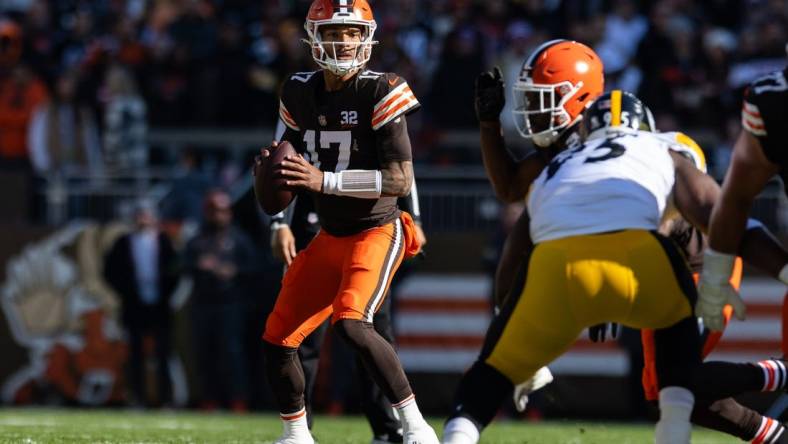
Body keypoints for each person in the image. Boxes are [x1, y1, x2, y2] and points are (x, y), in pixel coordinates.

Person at [442, 90, 788, 444]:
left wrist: (505, 319)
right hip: (644, 261)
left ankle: (457, 437)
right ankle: (690, 425)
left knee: (491, 372)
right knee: (675, 384)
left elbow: (515, 252)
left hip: (557, 265)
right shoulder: (661, 150)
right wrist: (782, 269)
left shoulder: (561, 163)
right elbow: (720, 216)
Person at [253, 1, 434, 443]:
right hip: (327, 234)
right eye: (334, 33)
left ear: (367, 37)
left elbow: (399, 178)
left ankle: (415, 429)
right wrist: (276, 202)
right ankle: (296, 434)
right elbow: (283, 158)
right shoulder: (299, 90)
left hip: (375, 229)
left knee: (353, 323)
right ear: (314, 37)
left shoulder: (381, 89)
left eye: (352, 33)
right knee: (278, 338)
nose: (344, 42)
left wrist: (323, 179)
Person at [270, 181, 425, 444]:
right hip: (315, 228)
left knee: (366, 328)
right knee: (296, 336)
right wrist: (279, 221)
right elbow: (284, 164)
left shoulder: (374, 138)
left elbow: (401, 172)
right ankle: (299, 430)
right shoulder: (300, 138)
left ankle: (392, 425)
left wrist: (415, 217)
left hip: (369, 230)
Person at [183, 189, 259, 412]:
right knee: (205, 353)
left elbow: (255, 268)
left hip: (231, 305)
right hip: (203, 304)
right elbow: (181, 265)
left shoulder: (238, 239)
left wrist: (233, 271)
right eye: (215, 210)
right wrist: (199, 265)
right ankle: (209, 399)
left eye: (224, 210)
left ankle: (238, 400)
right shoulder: (197, 240)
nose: (220, 215)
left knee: (233, 353)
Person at [103, 200, 178, 407]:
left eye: (146, 214)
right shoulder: (123, 242)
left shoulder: (164, 241)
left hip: (160, 306)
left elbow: (175, 270)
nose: (142, 219)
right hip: (133, 306)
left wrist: (166, 292)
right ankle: (137, 398)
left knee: (163, 353)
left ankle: (165, 400)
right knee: (135, 354)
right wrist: (125, 291)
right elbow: (109, 271)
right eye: (139, 214)